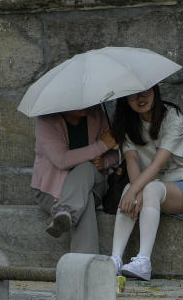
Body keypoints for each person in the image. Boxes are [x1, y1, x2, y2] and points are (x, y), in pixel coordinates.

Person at [109, 85, 183, 281]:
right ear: (125, 100)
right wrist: (133, 192)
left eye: (145, 92)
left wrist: (136, 192)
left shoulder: (172, 117)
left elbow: (158, 163)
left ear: (155, 92)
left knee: (146, 188)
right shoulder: (127, 124)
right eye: (133, 94)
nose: (140, 98)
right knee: (130, 187)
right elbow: (132, 161)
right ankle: (115, 260)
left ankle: (143, 261)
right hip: (151, 186)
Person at [31, 107, 119, 254]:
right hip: (51, 191)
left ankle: (65, 210)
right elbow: (62, 159)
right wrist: (101, 146)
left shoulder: (97, 115)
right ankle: (85, 263)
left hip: (94, 183)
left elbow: (118, 152)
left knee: (85, 168)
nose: (85, 106)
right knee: (85, 200)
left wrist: (104, 162)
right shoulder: (46, 121)